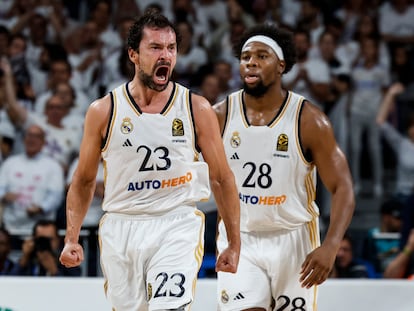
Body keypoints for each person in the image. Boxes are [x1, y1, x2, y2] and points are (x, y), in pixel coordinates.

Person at [59, 11, 240, 311]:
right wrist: (71, 238)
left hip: (176, 223)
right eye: (155, 47)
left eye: (171, 48)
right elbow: (84, 179)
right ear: (133, 54)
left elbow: (222, 177)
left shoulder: (196, 108)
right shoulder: (104, 110)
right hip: (121, 227)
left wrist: (233, 241)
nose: (165, 55)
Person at [213, 23, 355, 310]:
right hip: (241, 239)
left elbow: (343, 189)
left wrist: (330, 246)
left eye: (262, 56)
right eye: (245, 56)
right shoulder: (219, 115)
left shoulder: (309, 120)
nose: (251, 61)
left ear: (281, 65)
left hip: (294, 239)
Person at [11, 219, 81, 276]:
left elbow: (73, 287)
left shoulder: (68, 261)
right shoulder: (28, 259)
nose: (45, 243)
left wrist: (54, 271)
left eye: (49, 240)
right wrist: (25, 257)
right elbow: (9, 283)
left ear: (57, 240)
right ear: (33, 239)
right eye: (41, 239)